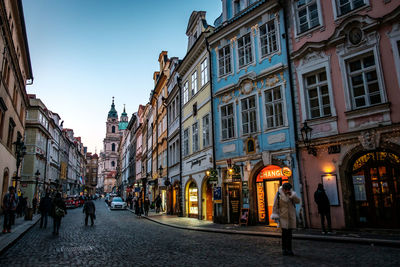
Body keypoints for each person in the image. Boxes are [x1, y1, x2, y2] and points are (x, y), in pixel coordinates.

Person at [271, 183, 300, 256]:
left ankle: (289, 249)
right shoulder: (278, 195)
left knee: (289, 234)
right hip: (283, 216)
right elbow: (275, 205)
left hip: (290, 216)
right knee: (284, 234)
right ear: (283, 189)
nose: (286, 191)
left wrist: (292, 195)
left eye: (288, 189)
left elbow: (298, 201)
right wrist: (275, 214)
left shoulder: (292, 194)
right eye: (285, 189)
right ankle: (284, 249)